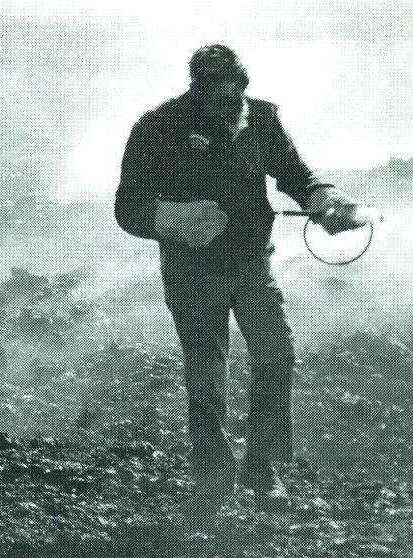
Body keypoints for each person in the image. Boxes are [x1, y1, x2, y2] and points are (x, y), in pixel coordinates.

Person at [114, 45, 359, 514]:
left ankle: (262, 467)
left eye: (233, 94)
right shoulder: (158, 127)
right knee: (206, 373)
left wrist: (326, 203)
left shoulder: (262, 119)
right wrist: (174, 217)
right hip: (192, 272)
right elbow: (128, 207)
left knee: (276, 353)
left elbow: (296, 174)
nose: (226, 105)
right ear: (196, 89)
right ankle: (213, 477)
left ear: (242, 87)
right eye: (213, 94)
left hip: (251, 265)